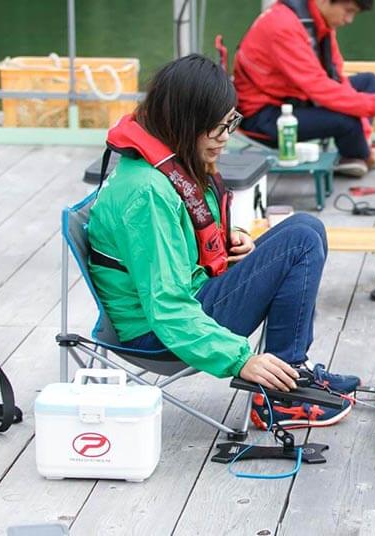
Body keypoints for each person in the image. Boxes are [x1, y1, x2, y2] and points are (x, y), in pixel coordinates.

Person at [88, 54, 360, 430]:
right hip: (158, 333)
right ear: (186, 124)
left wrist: (230, 247)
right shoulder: (146, 193)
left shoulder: (167, 161)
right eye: (217, 129)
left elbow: (180, 244)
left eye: (230, 123)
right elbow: (166, 306)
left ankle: (290, 372)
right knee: (300, 241)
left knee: (307, 228)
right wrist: (240, 360)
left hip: (190, 300)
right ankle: (279, 399)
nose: (226, 138)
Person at [233, 0, 375, 177]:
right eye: (348, 11)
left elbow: (337, 79)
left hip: (293, 98)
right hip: (263, 118)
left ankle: (358, 151)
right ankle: (366, 157)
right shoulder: (283, 26)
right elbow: (318, 87)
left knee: (369, 82)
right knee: (347, 121)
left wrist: (367, 124)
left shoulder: (319, 21)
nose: (349, 19)